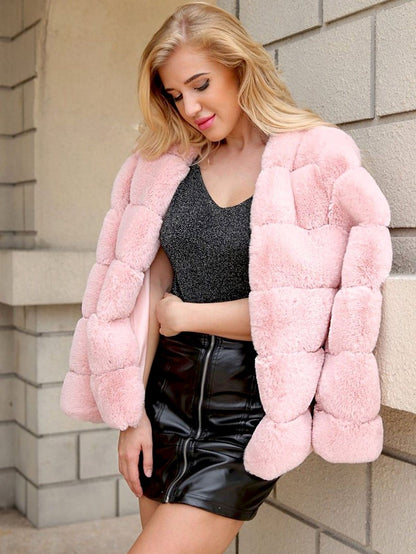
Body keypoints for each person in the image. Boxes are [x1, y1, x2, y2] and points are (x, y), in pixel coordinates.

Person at [60, 2, 392, 553]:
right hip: (165, 397)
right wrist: (131, 415)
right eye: (175, 95)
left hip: (245, 412)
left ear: (239, 67)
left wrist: (187, 315)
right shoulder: (170, 165)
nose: (190, 108)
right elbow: (147, 290)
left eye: (201, 85)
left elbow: (305, 317)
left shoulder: (312, 161)